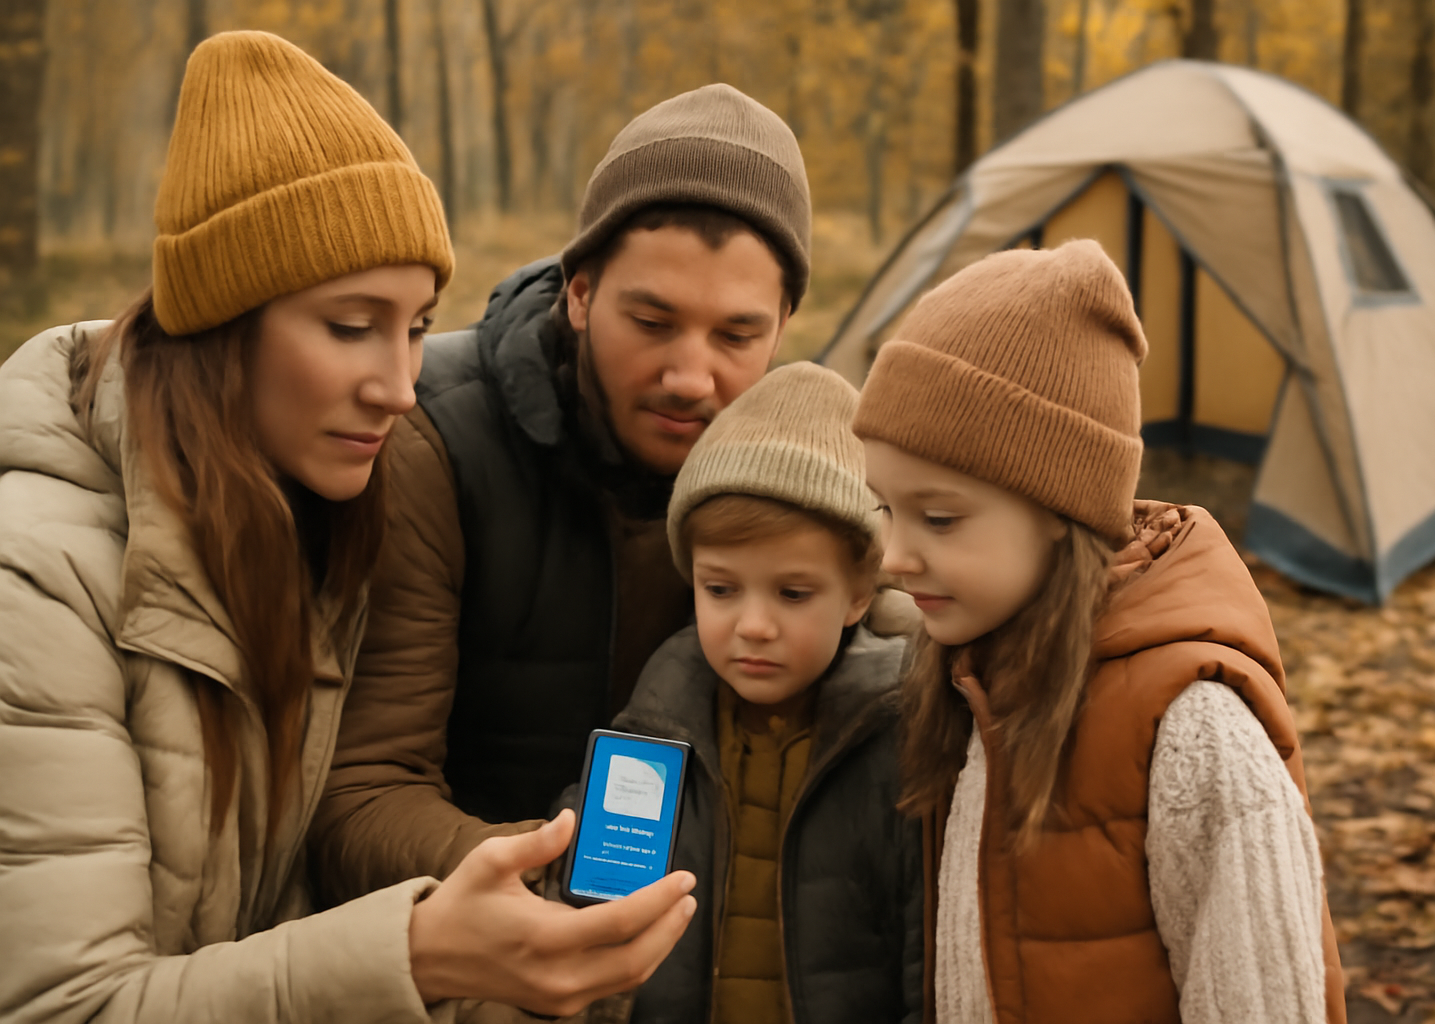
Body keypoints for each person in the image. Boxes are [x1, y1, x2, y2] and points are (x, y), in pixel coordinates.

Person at [0, 31, 692, 1024]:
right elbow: (65, 1007)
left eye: (418, 327)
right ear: (222, 322)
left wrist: (520, 970)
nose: (402, 387)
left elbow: (278, 937)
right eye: (350, 326)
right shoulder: (37, 581)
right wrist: (418, 951)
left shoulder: (313, 525)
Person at [311, 86, 814, 900]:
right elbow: (365, 792)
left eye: (736, 335)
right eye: (652, 323)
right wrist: (557, 887)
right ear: (578, 293)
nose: (691, 378)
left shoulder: (801, 472)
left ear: (783, 326)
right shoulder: (430, 440)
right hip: (471, 925)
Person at [851, 242, 1349, 1024]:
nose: (893, 556)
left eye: (938, 517)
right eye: (886, 508)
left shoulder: (1196, 738)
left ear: (1061, 509)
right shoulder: (973, 673)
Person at [565, 362, 922, 1024]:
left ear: (858, 594)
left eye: (793, 593)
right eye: (721, 589)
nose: (753, 625)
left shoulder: (907, 739)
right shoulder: (652, 724)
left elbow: (927, 959)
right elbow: (590, 911)